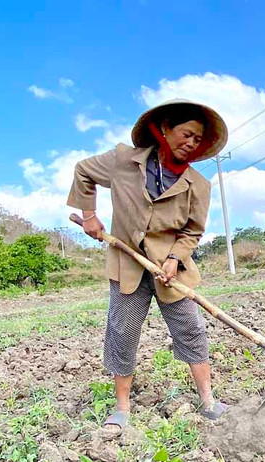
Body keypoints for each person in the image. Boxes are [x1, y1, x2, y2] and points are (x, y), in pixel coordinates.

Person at [67, 99, 229, 428]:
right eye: (186, 134)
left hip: (172, 271)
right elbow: (83, 171)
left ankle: (209, 401)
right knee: (122, 333)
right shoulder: (123, 161)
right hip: (127, 264)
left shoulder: (199, 185)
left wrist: (174, 258)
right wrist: (89, 216)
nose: (191, 143)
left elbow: (192, 231)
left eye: (198, 139)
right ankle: (123, 408)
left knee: (191, 330)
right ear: (165, 129)